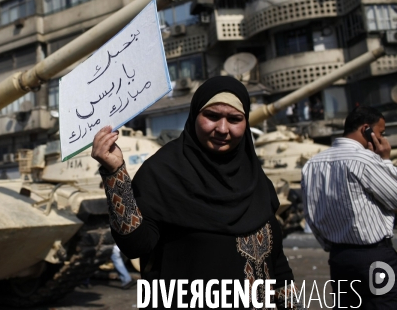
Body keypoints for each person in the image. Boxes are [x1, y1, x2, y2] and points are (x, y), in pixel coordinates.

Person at [91, 76, 302, 309]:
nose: (222, 129)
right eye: (212, 116)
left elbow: (278, 262)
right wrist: (115, 173)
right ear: (194, 116)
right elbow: (135, 245)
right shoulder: (162, 173)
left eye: (234, 119)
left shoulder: (256, 179)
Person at [301, 106, 397, 308]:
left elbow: (311, 214)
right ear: (366, 130)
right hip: (375, 256)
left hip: (339, 258)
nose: (382, 138)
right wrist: (386, 160)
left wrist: (332, 246)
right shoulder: (365, 159)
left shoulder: (312, 164)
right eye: (380, 133)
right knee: (385, 305)